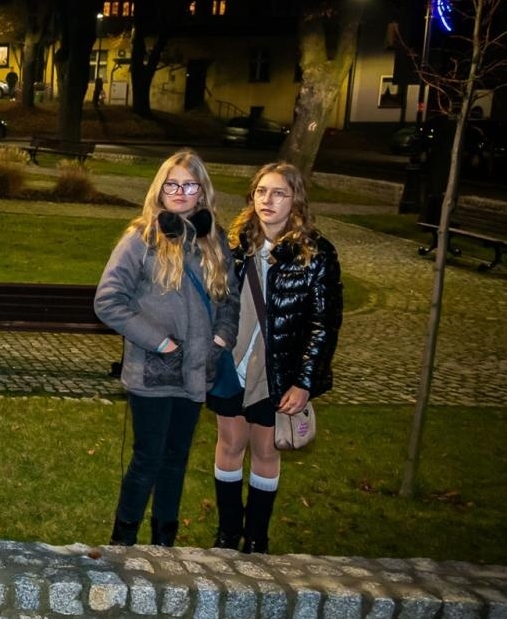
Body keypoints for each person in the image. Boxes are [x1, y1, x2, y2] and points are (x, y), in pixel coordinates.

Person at [94, 150, 235, 547]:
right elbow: (108, 300)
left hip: (196, 371)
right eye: (172, 184)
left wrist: (220, 341)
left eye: (188, 185)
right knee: (147, 460)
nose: (179, 191)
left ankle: (164, 544)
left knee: (176, 462)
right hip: (153, 372)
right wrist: (159, 341)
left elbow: (231, 301)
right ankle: (122, 542)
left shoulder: (215, 240)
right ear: (160, 188)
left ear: (201, 192)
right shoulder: (140, 238)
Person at [210, 162, 342, 554]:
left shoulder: (316, 253)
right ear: (252, 198)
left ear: (295, 200)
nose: (268, 200)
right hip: (230, 365)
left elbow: (324, 324)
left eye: (279, 193)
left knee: (266, 450)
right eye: (261, 192)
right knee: (229, 443)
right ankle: (227, 534)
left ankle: (256, 538)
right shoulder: (234, 244)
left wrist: (305, 381)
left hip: (277, 370)